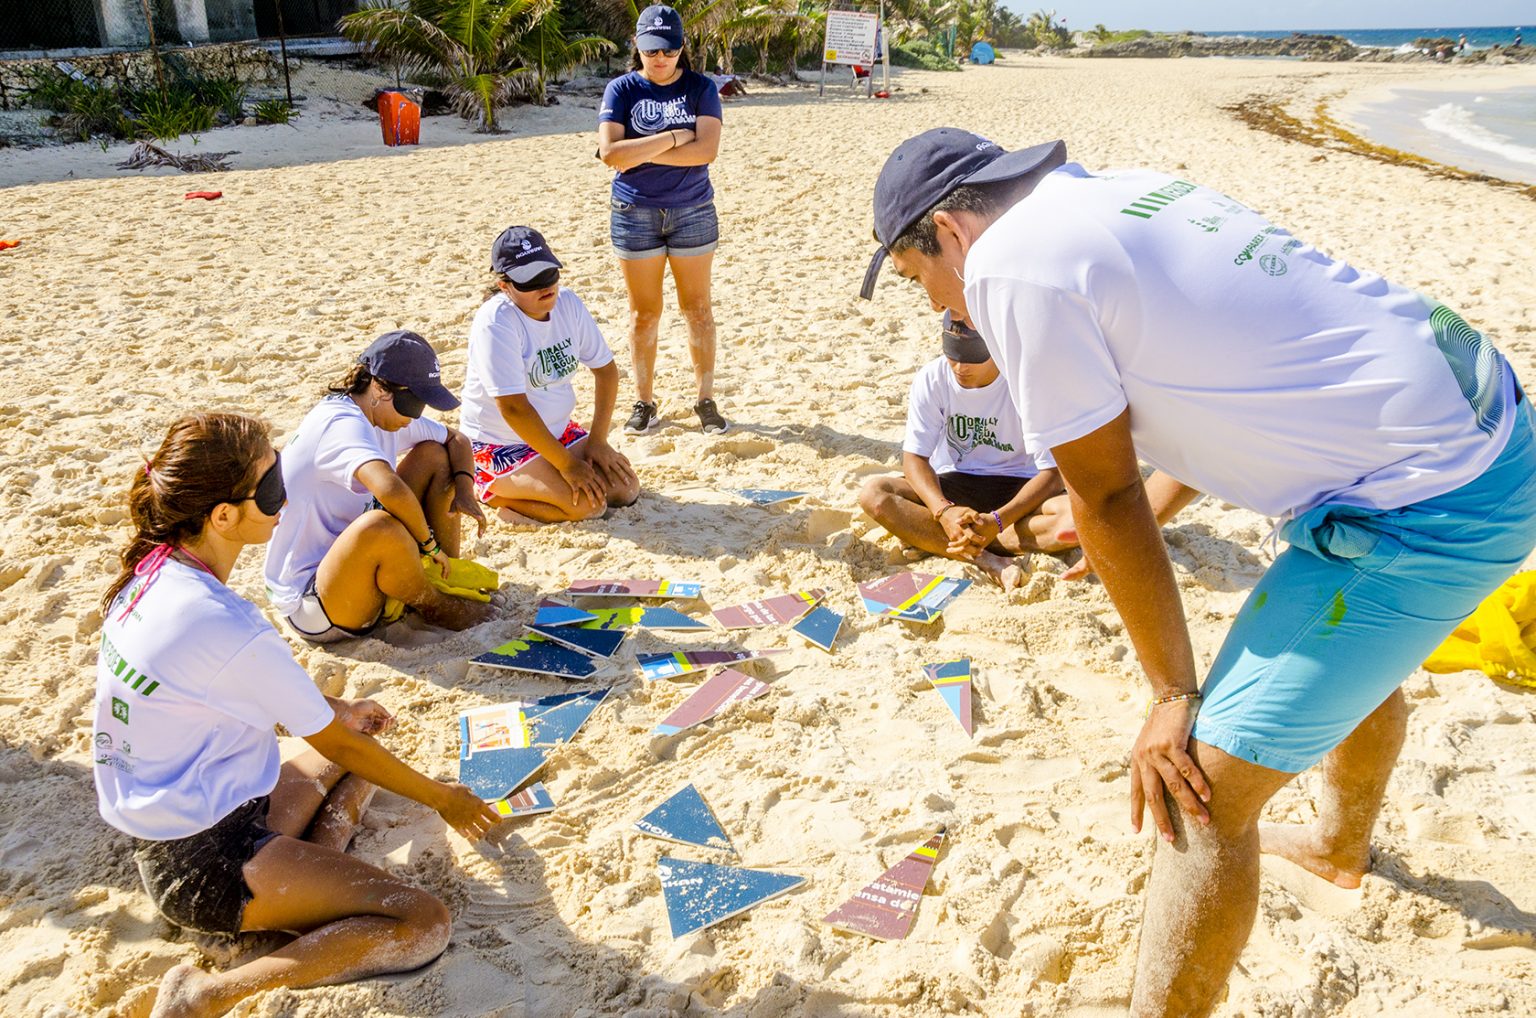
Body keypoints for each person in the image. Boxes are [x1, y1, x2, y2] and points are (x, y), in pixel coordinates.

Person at [860, 127, 1536, 1016]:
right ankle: (1339, 847)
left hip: (1429, 498)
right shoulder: (1117, 190)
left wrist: (1172, 692)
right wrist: (1149, 510)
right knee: (1354, 649)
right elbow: (1218, 375)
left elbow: (1106, 496)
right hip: (1481, 412)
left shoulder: (1010, 268)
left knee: (1200, 786)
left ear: (947, 231)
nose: (940, 305)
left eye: (919, 280)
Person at [94, 413, 500, 1018]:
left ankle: (314, 871)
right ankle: (205, 995)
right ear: (223, 516)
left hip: (189, 814)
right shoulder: (220, 619)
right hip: (208, 863)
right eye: (270, 486)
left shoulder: (153, 572)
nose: (284, 494)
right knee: (422, 922)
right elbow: (338, 744)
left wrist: (334, 710)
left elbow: (226, 686)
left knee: (355, 743)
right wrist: (445, 799)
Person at [264, 330, 490, 643]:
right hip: (313, 603)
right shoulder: (340, 423)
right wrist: (429, 544)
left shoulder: (381, 414)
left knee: (435, 455)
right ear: (380, 388)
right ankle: (436, 605)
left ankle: (446, 576)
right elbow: (389, 489)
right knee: (380, 525)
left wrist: (465, 490)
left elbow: (457, 439)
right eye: (414, 403)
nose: (416, 417)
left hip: (355, 564)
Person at [858, 311, 1067, 589]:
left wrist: (998, 520)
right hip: (955, 486)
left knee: (1075, 520)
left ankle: (937, 539)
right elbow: (914, 458)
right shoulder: (932, 377)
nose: (960, 367)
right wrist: (944, 513)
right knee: (874, 494)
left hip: (1021, 490)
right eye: (953, 355)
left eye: (973, 358)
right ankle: (987, 558)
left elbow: (1054, 474)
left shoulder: (1027, 382)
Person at [597, 4, 728, 436]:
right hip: (634, 212)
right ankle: (644, 402)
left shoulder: (701, 87)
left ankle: (705, 400)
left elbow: (706, 151)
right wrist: (674, 136)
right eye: (652, 50)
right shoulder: (620, 89)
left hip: (693, 209)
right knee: (643, 314)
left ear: (681, 48)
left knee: (698, 310)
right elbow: (611, 155)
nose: (660, 59)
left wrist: (640, 150)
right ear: (637, 45)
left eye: (669, 51)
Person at [461, 226, 640, 523]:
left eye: (549, 275)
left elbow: (606, 372)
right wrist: (567, 464)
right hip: (499, 443)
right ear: (504, 285)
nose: (545, 287)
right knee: (587, 506)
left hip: (557, 432)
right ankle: (489, 490)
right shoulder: (495, 322)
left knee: (625, 489)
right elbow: (513, 408)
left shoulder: (568, 303)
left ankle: (545, 471)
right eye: (530, 282)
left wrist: (598, 441)